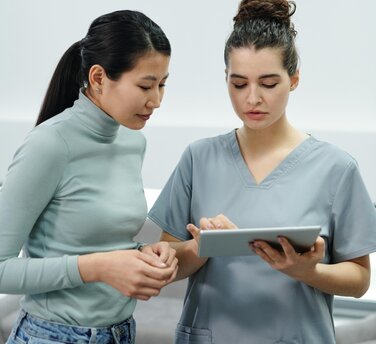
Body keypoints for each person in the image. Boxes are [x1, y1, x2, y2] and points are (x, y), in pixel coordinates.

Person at [148, 0, 376, 343]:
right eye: (238, 84)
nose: (252, 98)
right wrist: (201, 247)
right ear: (225, 79)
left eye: (268, 84)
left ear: (294, 80)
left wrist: (306, 270)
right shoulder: (198, 159)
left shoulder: (336, 168)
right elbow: (168, 262)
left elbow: (359, 280)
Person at [0, 10, 177, 344]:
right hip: (51, 335)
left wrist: (146, 253)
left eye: (163, 84)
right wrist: (98, 267)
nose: (156, 100)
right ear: (98, 78)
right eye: (145, 85)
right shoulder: (50, 144)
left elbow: (105, 243)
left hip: (121, 333)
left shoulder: (133, 141)